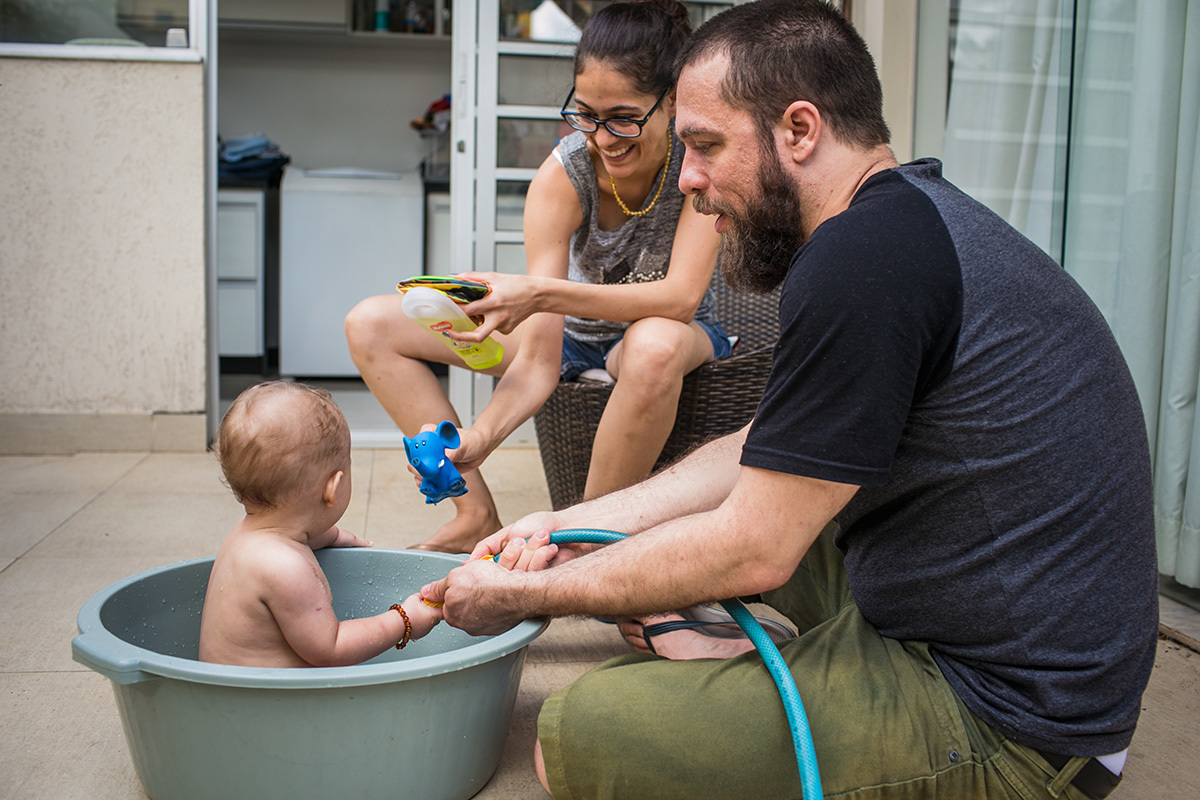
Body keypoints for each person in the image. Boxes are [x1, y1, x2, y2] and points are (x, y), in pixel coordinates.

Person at [419, 2, 1160, 799]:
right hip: (979, 608)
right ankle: (774, 657)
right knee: (745, 508)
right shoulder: (900, 222)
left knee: (581, 736)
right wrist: (571, 529)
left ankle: (822, 692)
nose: (691, 178)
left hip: (1011, 721)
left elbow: (756, 547)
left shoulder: (861, 261)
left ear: (799, 130)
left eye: (706, 145)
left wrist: (530, 594)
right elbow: (762, 445)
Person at [345, 0, 729, 555]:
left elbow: (680, 298)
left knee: (654, 345)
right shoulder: (562, 176)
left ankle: (586, 541)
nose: (603, 137)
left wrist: (539, 294)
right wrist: (483, 437)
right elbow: (541, 361)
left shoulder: (696, 167)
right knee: (371, 324)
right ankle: (474, 511)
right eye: (587, 114)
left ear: (671, 99)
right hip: (576, 338)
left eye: (623, 116)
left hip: (672, 332)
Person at [198, 381, 554, 668]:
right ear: (333, 489)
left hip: (236, 702)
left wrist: (332, 535)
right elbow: (330, 649)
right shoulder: (286, 568)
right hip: (273, 713)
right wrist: (405, 619)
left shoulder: (247, 536)